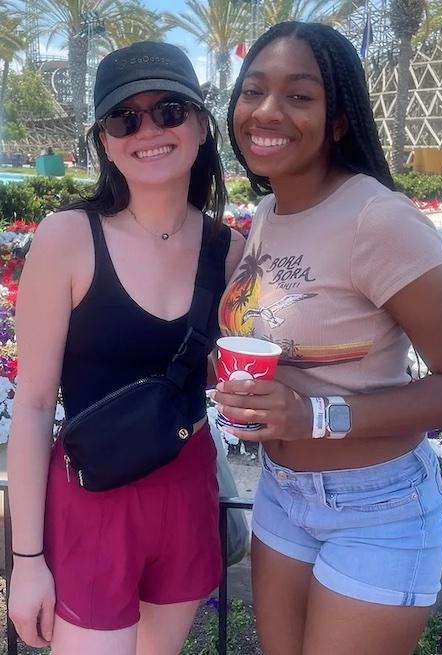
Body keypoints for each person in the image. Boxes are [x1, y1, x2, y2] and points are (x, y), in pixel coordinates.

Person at [214, 23, 442, 654]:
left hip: (378, 507)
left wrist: (315, 413)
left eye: (298, 96)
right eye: (254, 91)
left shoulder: (379, 220)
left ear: (339, 120)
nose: (267, 111)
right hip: (283, 493)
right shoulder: (267, 215)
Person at [8, 42, 244, 654]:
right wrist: (27, 559)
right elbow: (33, 405)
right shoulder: (67, 238)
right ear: (105, 141)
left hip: (186, 493)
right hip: (92, 498)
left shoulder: (230, 251)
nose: (148, 130)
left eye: (168, 110)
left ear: (198, 124)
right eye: (124, 118)